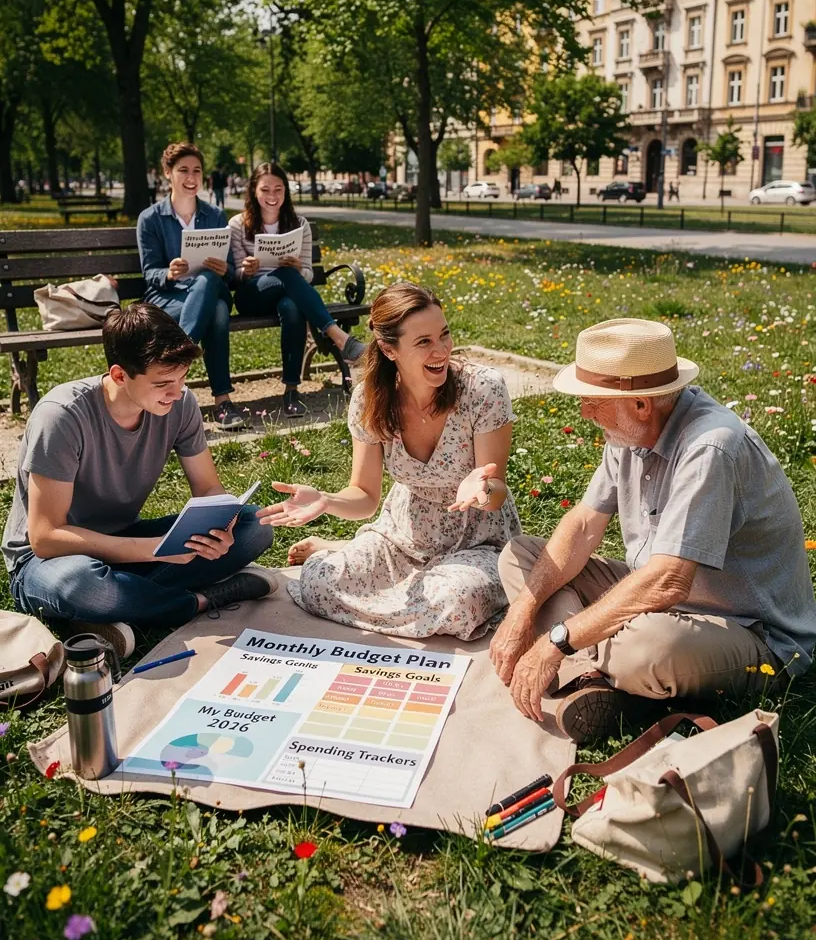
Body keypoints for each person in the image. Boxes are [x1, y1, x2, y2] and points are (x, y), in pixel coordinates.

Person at [490, 318, 816, 743]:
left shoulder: (710, 448)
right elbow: (585, 523)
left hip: (748, 630)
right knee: (523, 557)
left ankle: (588, 669)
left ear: (642, 404)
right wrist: (521, 613)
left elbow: (667, 582)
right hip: (661, 601)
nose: (585, 412)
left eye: (594, 401)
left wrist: (556, 639)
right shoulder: (630, 430)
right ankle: (594, 678)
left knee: (647, 646)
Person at [3, 304, 276, 658]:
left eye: (182, 379)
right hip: (50, 561)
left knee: (256, 526)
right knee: (81, 583)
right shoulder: (62, 416)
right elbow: (45, 537)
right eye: (163, 383)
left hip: (123, 543)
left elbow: (208, 488)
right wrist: (154, 550)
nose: (176, 393)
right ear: (119, 375)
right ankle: (194, 602)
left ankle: (111, 608)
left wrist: (221, 526)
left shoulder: (180, 403)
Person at [257, 282, 520, 639]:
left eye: (444, 334)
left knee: (457, 601)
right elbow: (364, 496)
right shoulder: (370, 399)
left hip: (478, 541)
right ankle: (391, 583)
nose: (441, 350)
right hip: (402, 537)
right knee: (318, 580)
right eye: (423, 341)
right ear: (389, 349)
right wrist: (328, 500)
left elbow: (497, 496)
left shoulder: (483, 389)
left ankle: (391, 584)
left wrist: (483, 488)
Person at [228, 162, 367, 418]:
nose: (272, 196)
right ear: (254, 191)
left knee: (292, 306)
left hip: (288, 293)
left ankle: (291, 391)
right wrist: (246, 270)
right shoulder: (238, 224)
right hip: (252, 295)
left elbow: (308, 274)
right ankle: (338, 337)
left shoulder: (298, 223)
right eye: (265, 189)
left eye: (278, 189)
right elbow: (233, 277)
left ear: (286, 191)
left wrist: (298, 268)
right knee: (287, 276)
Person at [137, 142, 245, 431]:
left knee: (209, 279)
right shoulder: (150, 219)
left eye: (197, 170)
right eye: (183, 170)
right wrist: (169, 273)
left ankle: (175, 363)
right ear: (167, 173)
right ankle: (223, 401)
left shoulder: (215, 215)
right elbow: (150, 273)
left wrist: (224, 270)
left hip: (209, 288)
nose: (191, 177)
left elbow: (232, 272)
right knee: (219, 312)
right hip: (169, 296)